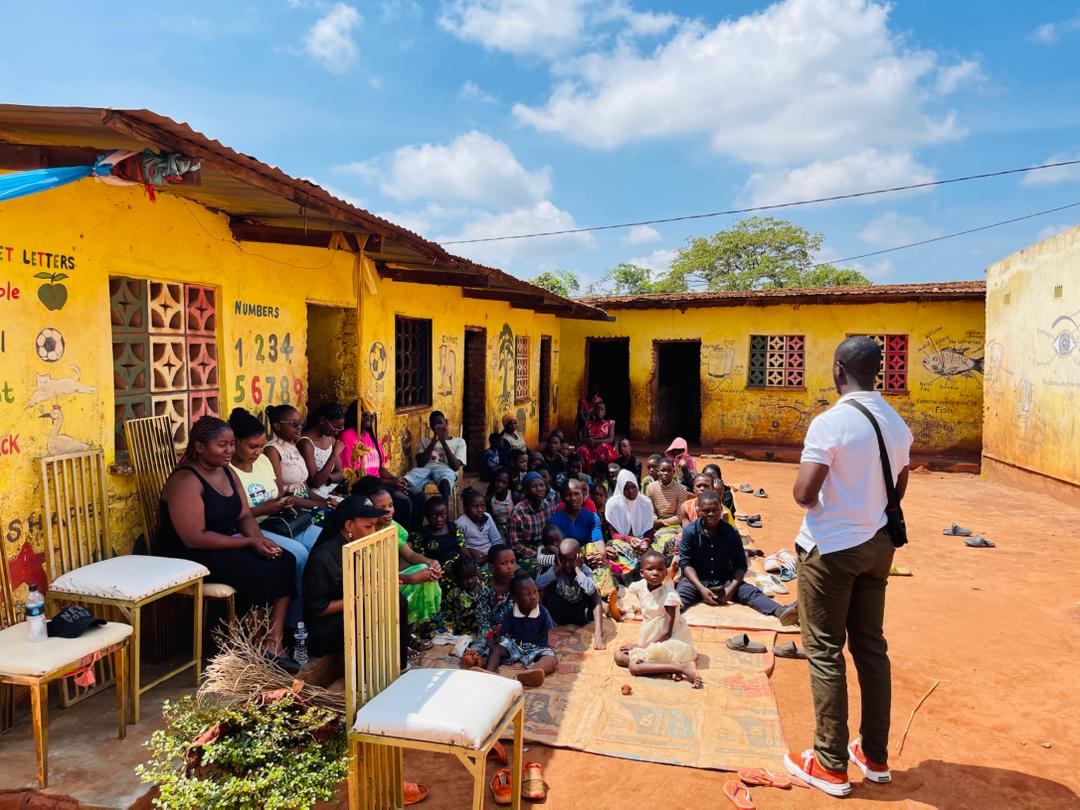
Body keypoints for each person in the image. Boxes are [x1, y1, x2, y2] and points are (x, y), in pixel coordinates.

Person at [783, 336, 912, 797]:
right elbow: (899, 486)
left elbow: (803, 494)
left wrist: (834, 503)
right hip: (878, 548)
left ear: (838, 368)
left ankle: (830, 763)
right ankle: (874, 756)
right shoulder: (896, 423)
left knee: (824, 650)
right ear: (879, 371)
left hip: (831, 550)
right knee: (871, 648)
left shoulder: (830, 423)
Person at [158, 416, 297, 668]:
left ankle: (272, 642)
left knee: (284, 559)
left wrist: (260, 540)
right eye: (222, 445)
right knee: (257, 570)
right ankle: (250, 644)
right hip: (189, 553)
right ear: (200, 446)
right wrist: (248, 543)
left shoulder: (227, 472)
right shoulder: (186, 480)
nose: (230, 450)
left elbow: (243, 515)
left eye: (232, 444)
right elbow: (194, 537)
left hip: (224, 543)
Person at [227, 407, 322, 626]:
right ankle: (295, 621)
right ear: (235, 443)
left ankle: (318, 607)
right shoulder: (228, 470)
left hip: (279, 520)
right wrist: (265, 509)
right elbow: (237, 515)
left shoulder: (263, 461)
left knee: (323, 541)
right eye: (253, 446)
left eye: (261, 446)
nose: (258, 452)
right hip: (252, 528)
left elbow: (277, 493)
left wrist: (282, 504)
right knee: (299, 554)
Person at [303, 498, 410, 670]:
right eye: (368, 526)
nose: (373, 531)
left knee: (396, 600)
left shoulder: (358, 547)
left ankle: (398, 666)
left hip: (351, 611)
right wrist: (362, 596)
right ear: (349, 526)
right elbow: (318, 608)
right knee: (372, 609)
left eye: (374, 526)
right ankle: (370, 674)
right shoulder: (324, 558)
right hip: (325, 629)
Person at [678, 491, 798, 624]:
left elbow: (740, 564)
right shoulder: (690, 532)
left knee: (751, 593)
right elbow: (686, 564)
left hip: (725, 579)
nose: (710, 514)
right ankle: (664, 621)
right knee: (677, 600)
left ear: (721, 509)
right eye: (706, 511)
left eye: (714, 510)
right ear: (698, 511)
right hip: (697, 580)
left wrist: (730, 589)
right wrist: (701, 588)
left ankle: (780, 611)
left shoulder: (730, 532)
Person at [614, 550, 702, 688]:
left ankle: (682, 667)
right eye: (650, 569)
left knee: (635, 668)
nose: (655, 573)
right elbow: (624, 581)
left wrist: (640, 647)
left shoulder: (670, 595)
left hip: (669, 639)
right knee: (618, 656)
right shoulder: (640, 585)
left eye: (660, 569)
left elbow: (667, 632)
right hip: (651, 637)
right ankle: (667, 668)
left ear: (665, 572)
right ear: (642, 573)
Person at [368, 489, 443, 643]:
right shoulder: (364, 534)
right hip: (373, 586)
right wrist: (410, 578)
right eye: (382, 508)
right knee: (416, 581)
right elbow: (373, 575)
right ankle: (400, 639)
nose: (389, 511)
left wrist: (430, 562)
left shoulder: (392, 527)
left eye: (390, 505)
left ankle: (407, 635)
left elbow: (410, 555)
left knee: (425, 572)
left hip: (392, 580)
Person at [340, 400, 416, 529]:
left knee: (417, 495)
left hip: (380, 482)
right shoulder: (347, 436)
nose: (368, 418)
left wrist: (395, 479)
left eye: (371, 415)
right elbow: (356, 474)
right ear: (355, 415)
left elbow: (381, 468)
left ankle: (413, 533)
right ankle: (399, 535)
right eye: (364, 415)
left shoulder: (371, 437)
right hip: (365, 485)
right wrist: (390, 483)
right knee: (404, 502)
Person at [483, 573, 558, 688]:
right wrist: (495, 640)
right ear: (516, 599)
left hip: (537, 647)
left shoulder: (543, 613)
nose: (533, 597)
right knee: (496, 649)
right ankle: (488, 673)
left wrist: (547, 647)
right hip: (515, 645)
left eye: (535, 592)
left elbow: (548, 632)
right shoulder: (510, 614)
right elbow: (502, 633)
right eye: (527, 594)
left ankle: (531, 673)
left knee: (551, 659)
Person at [410, 496, 468, 635]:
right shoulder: (420, 535)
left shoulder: (453, 527)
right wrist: (443, 570)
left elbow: (462, 548)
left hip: (459, 567)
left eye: (442, 515)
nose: (439, 519)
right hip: (437, 571)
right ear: (426, 515)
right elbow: (421, 560)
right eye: (434, 516)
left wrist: (468, 564)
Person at [548, 479, 615, 597]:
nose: (573, 498)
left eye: (576, 494)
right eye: (568, 495)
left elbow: (599, 544)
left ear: (583, 495)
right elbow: (558, 551)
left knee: (596, 552)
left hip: (587, 558)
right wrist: (581, 558)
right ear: (562, 497)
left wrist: (600, 555)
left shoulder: (592, 517)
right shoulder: (554, 520)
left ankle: (606, 596)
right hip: (565, 560)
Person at [537, 537, 604, 650]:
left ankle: (598, 633)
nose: (567, 564)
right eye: (563, 560)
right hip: (558, 613)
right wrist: (556, 570)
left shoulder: (584, 569)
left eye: (571, 560)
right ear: (559, 557)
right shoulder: (557, 567)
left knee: (596, 592)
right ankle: (540, 628)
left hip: (580, 614)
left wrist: (578, 570)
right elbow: (537, 584)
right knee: (541, 589)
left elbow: (590, 590)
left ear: (579, 557)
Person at [264, 405, 331, 505]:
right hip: (286, 505)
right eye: (293, 424)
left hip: (303, 501)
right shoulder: (272, 450)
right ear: (277, 426)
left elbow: (304, 489)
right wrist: (320, 504)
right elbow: (279, 494)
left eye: (300, 423)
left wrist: (326, 501)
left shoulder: (293, 446)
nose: (299, 427)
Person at [604, 469, 658, 574]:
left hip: (641, 542)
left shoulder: (645, 502)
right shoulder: (613, 504)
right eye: (626, 488)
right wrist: (629, 539)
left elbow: (649, 529)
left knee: (655, 555)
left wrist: (646, 541)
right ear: (620, 489)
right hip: (621, 542)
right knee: (619, 550)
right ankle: (634, 571)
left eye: (633, 487)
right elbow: (613, 534)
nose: (631, 491)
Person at [403, 411, 466, 501]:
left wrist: (443, 440)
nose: (437, 427)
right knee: (407, 480)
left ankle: (444, 508)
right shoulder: (424, 441)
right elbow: (421, 464)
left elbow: (455, 467)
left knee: (445, 483)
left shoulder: (459, 442)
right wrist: (434, 440)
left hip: (446, 470)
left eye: (440, 423)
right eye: (434, 425)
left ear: (446, 423)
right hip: (425, 470)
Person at [472, 544, 518, 661]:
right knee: (481, 642)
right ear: (492, 568)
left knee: (506, 644)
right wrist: (489, 636)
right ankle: (473, 656)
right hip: (490, 628)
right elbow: (482, 618)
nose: (510, 567)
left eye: (513, 562)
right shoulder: (486, 590)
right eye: (504, 563)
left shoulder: (517, 585)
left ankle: (484, 660)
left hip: (511, 628)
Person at [508, 472, 556, 575]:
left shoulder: (548, 506)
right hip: (527, 553)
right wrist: (538, 553)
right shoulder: (518, 512)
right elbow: (516, 545)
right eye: (534, 486)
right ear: (526, 490)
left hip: (546, 547)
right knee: (540, 568)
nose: (539, 489)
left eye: (542, 485)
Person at [298, 402, 346, 498]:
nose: (337, 433)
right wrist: (334, 454)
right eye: (334, 428)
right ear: (323, 420)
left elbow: (341, 474)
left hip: (330, 489)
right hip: (315, 494)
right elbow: (316, 482)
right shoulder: (306, 443)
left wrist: (328, 478)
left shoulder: (331, 439)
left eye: (340, 429)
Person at [646, 459, 690, 554]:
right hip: (654, 524)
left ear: (674, 472)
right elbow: (651, 511)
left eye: (669, 471)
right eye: (663, 470)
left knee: (666, 543)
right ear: (658, 471)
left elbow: (679, 517)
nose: (665, 473)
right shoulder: (650, 488)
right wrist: (654, 520)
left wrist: (661, 522)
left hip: (673, 526)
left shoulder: (681, 489)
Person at [456, 487, 502, 564]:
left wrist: (496, 554)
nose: (480, 510)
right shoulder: (460, 523)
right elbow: (460, 547)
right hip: (474, 559)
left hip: (492, 555)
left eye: (482, 506)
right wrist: (471, 555)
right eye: (475, 506)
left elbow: (496, 540)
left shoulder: (487, 517)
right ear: (465, 508)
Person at [439, 555, 482, 636]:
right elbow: (447, 615)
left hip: (483, 627)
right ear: (456, 579)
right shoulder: (454, 593)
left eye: (472, 576)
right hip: (463, 630)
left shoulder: (483, 585)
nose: (470, 581)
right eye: (465, 578)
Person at [578, 399, 617, 477]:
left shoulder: (610, 423)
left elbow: (611, 439)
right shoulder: (588, 424)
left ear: (605, 412)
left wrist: (597, 441)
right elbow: (584, 438)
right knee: (582, 448)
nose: (600, 411)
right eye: (597, 409)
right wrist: (589, 441)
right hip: (590, 446)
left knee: (603, 447)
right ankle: (586, 473)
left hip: (602, 445)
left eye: (602, 410)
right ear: (594, 411)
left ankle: (602, 473)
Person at [486, 468, 515, 541]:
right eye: (497, 481)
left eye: (504, 482)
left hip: (514, 527)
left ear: (508, 484)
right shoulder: (490, 498)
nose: (500, 484)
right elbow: (490, 519)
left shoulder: (513, 495)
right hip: (498, 528)